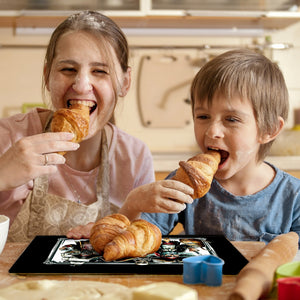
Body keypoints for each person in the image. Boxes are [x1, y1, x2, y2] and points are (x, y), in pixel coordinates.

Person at [112, 49, 300, 246]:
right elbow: (135, 241)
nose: (212, 131)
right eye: (203, 117)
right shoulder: (185, 183)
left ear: (269, 129)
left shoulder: (293, 197)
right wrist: (133, 204)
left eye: (231, 119)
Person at [0, 10, 155, 242]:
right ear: (46, 76)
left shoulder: (134, 157)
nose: (82, 86)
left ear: (125, 82)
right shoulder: (9, 138)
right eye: (68, 69)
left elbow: (143, 244)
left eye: (100, 71)